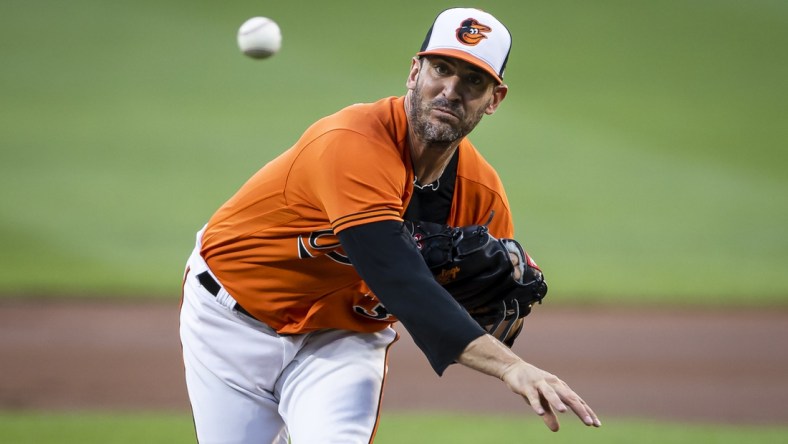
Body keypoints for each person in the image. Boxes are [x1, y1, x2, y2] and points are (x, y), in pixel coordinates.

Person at [179, 7, 601, 443]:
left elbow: (487, 307)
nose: (451, 91)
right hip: (231, 321)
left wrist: (489, 321)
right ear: (415, 71)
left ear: (494, 99)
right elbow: (397, 276)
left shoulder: (482, 196)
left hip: (343, 337)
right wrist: (509, 366)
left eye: (474, 81)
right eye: (441, 68)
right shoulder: (353, 142)